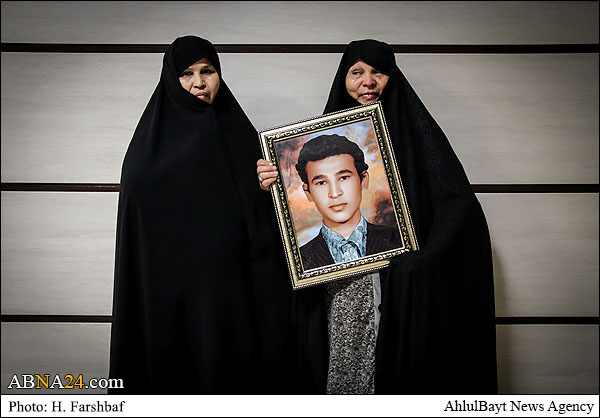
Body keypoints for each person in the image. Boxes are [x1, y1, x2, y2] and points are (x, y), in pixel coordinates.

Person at [257, 39, 497, 394]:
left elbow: (456, 203)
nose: (367, 81)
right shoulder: (316, 143)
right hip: (336, 290)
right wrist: (273, 188)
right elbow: (281, 235)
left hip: (397, 289)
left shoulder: (417, 135)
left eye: (378, 72)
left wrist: (423, 259)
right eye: (356, 72)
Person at [109, 35, 298, 394]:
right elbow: (143, 239)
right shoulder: (147, 154)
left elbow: (273, 222)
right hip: (175, 301)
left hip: (235, 295)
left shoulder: (240, 136)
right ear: (171, 79)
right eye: (187, 74)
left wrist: (270, 188)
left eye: (208, 71)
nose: (199, 82)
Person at [295, 133, 401, 270]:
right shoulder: (298, 261)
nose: (335, 193)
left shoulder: (400, 239)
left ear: (363, 180)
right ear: (308, 192)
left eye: (344, 178)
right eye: (321, 183)